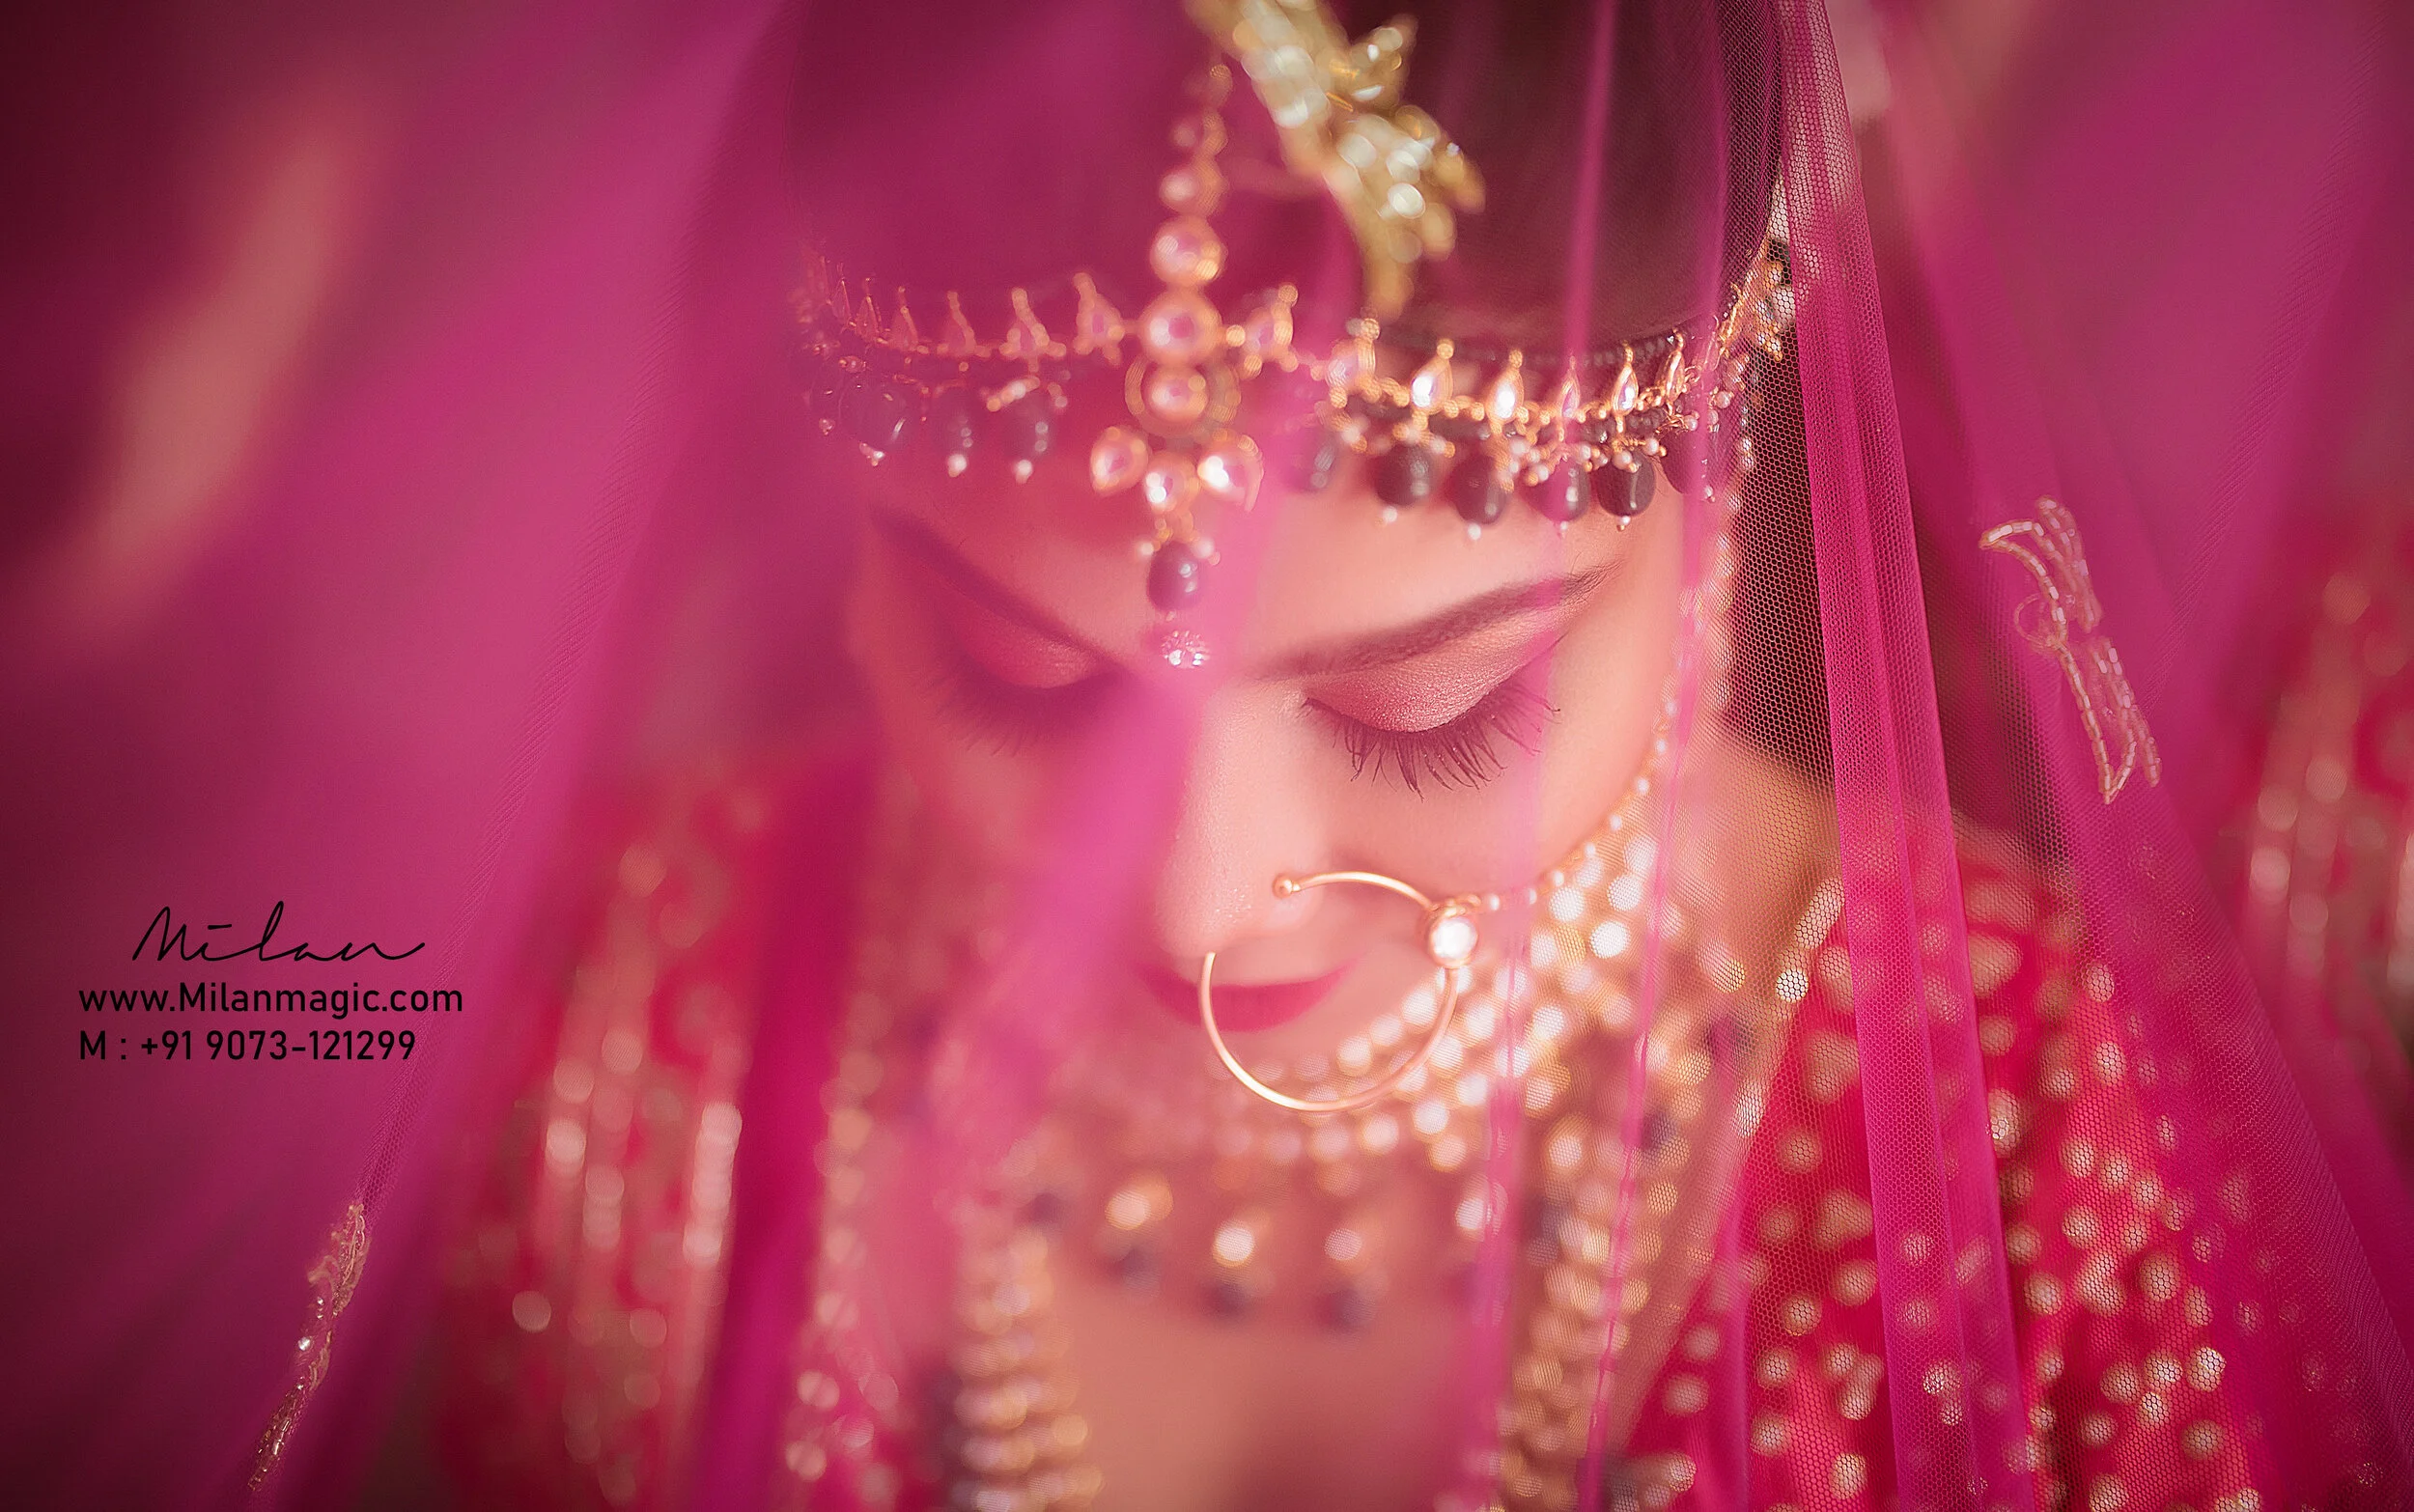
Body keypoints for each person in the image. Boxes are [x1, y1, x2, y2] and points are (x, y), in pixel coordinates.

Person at [414, 3, 2414, 1510]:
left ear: (1706, 497)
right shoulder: (590, 1027)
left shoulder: (2061, 1165)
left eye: (1423, 711)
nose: (1196, 891)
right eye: (1015, 667)